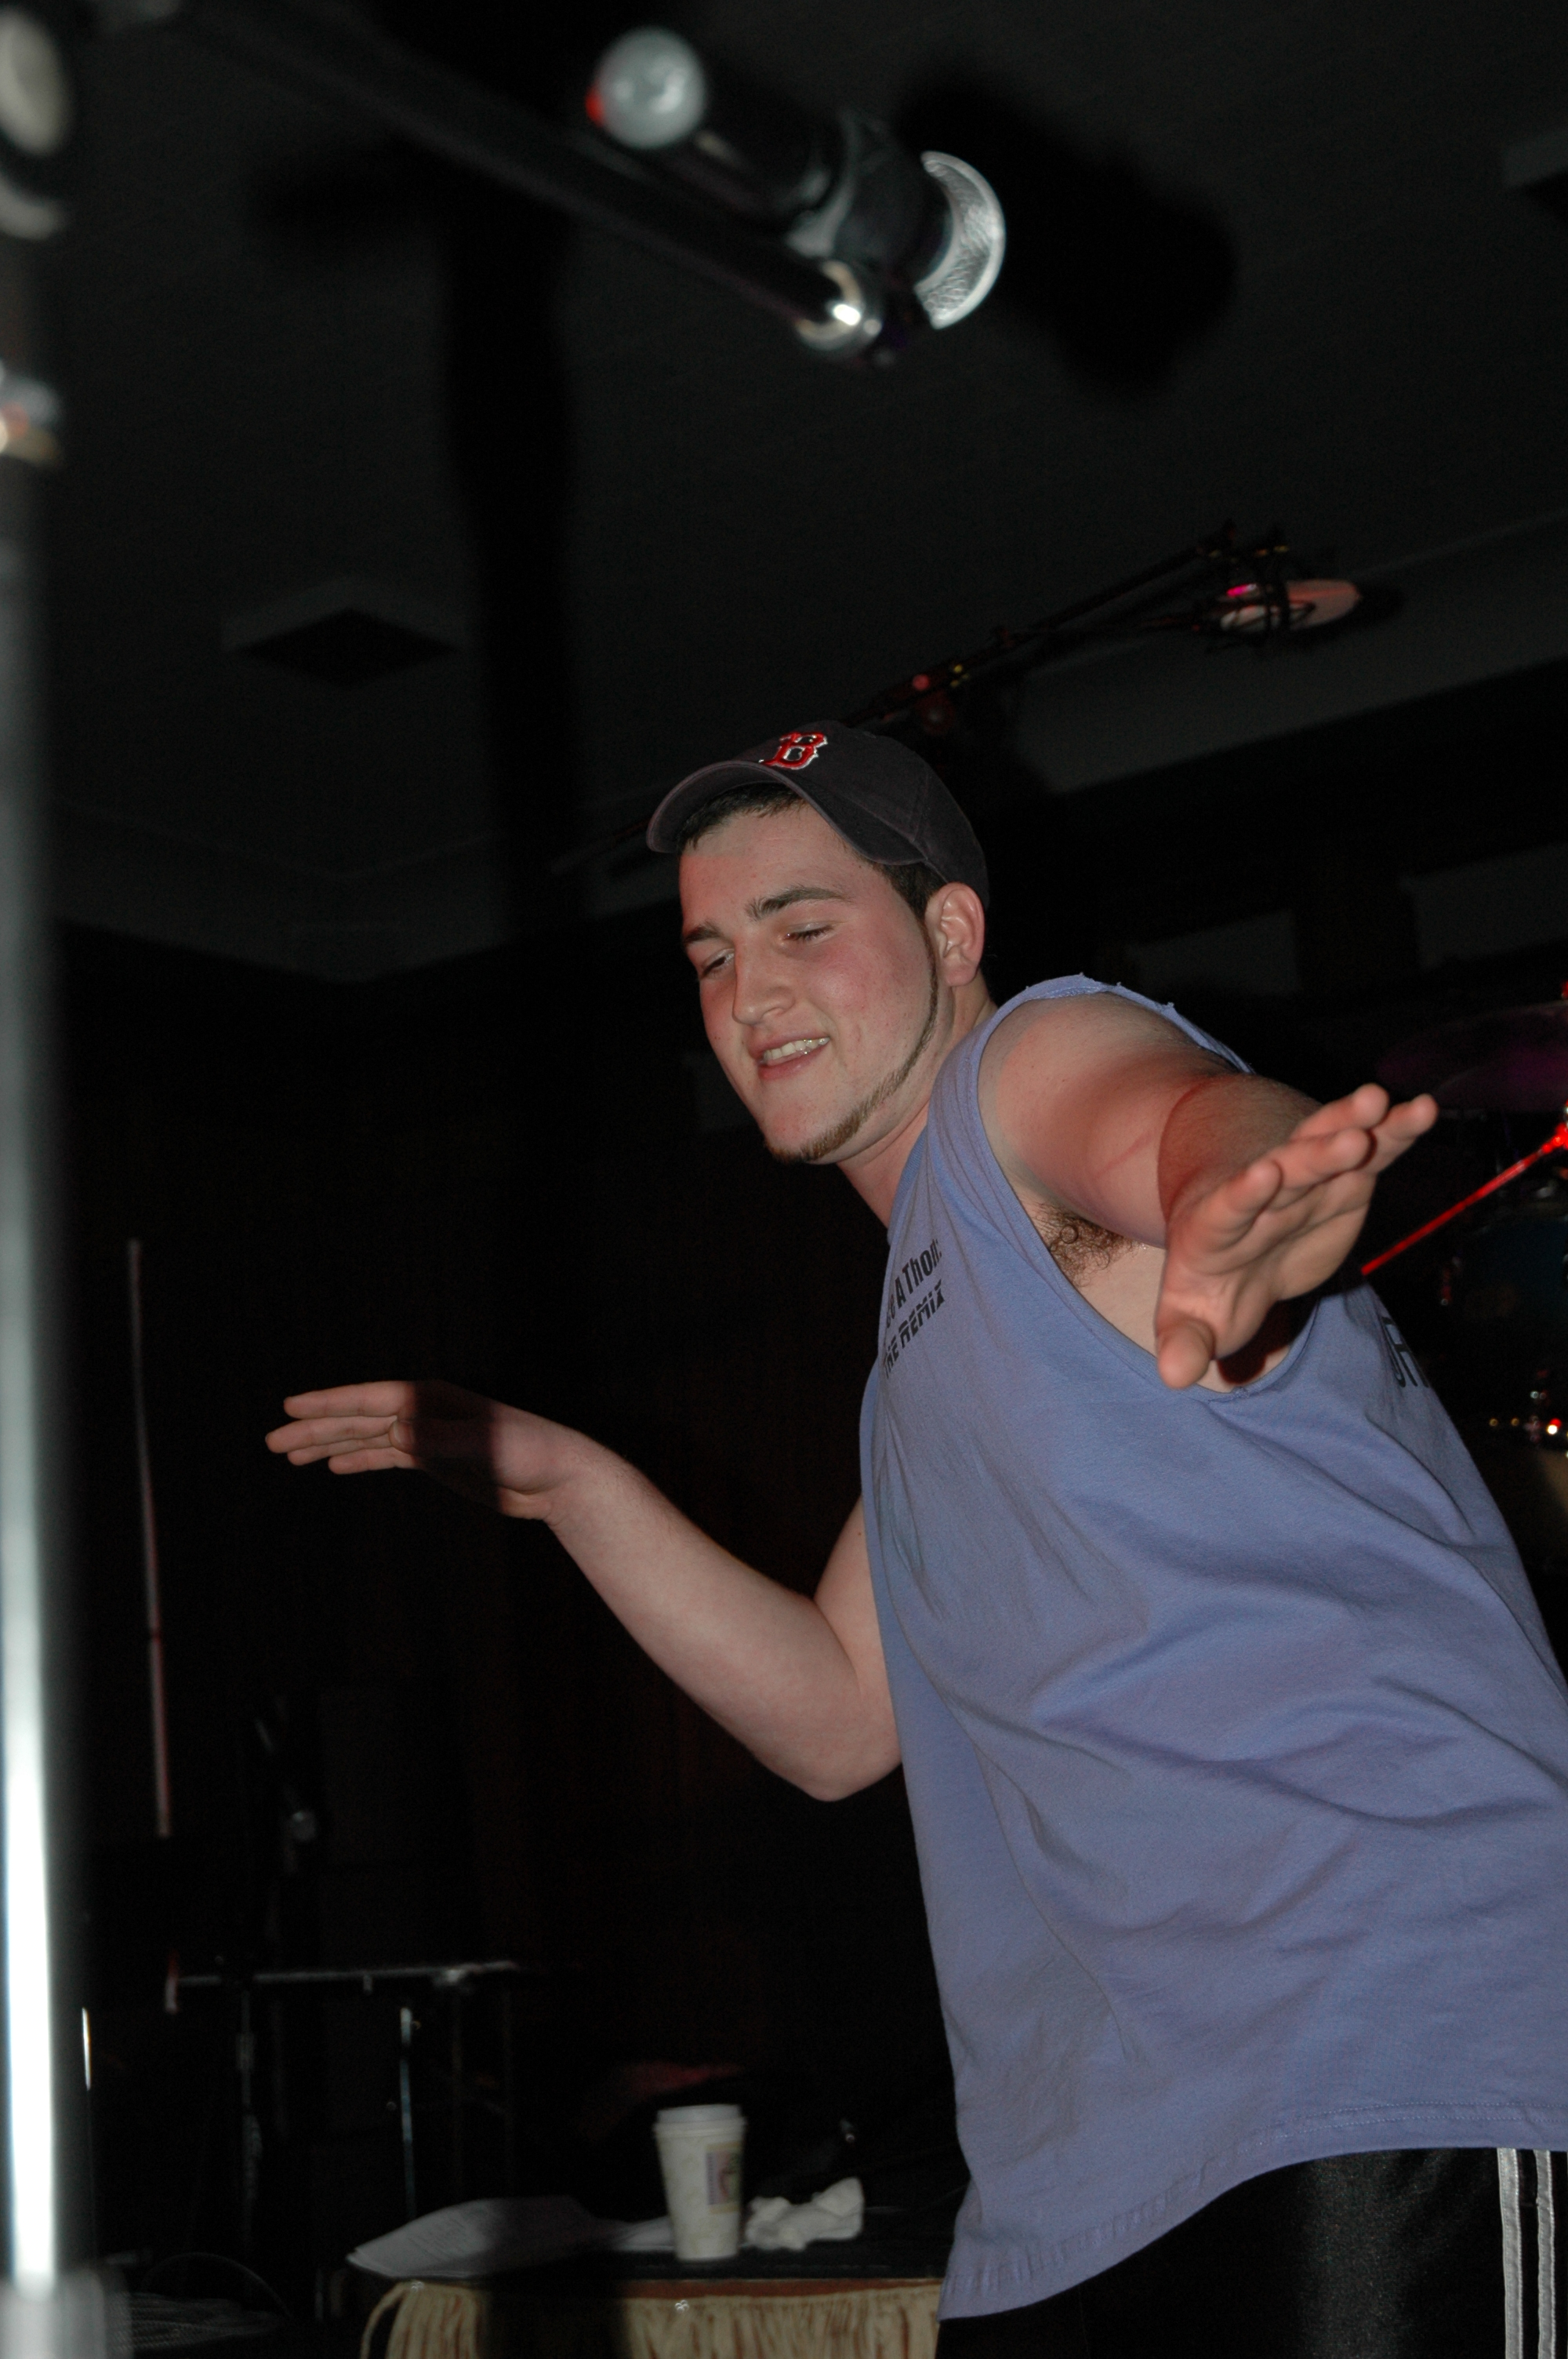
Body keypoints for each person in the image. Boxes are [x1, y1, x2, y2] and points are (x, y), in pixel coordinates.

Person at [268, 722, 1568, 2356]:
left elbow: (1168, 1114)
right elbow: (833, 1717)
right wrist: (569, 1485)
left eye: (803, 927)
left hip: (1375, 2046)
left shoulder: (1026, 1063)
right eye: (710, 956)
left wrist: (1242, 1187)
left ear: (951, 930)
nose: (749, 993)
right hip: (1085, 2170)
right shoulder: (918, 1366)